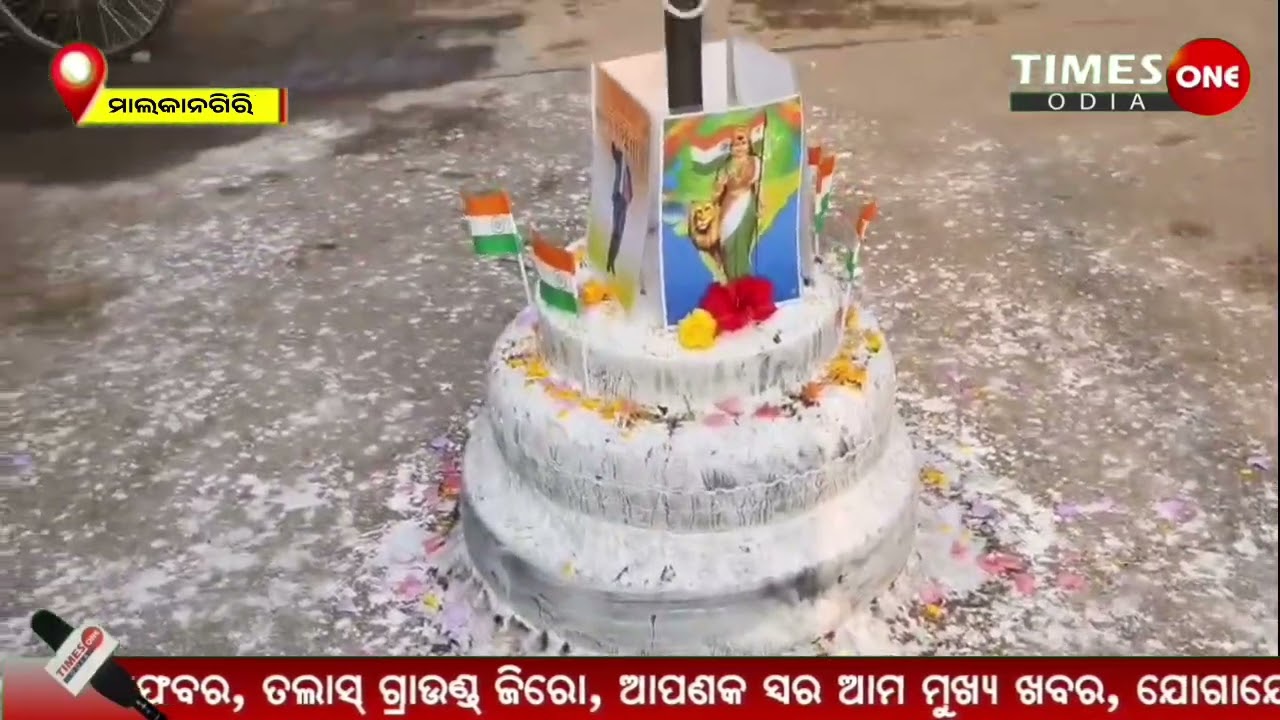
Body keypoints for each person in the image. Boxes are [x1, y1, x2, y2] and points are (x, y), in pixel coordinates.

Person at [712, 127, 761, 279]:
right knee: (728, 243)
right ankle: (731, 279)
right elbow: (718, 188)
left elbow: (758, 185)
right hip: (729, 205)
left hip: (747, 204)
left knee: (743, 243)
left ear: (749, 144)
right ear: (730, 148)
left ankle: (744, 279)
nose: (739, 148)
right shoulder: (726, 166)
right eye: (735, 145)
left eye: (743, 143)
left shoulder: (755, 162)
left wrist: (761, 204)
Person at [607, 142, 632, 274]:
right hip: (621, 202)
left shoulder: (617, 232)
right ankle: (620, 158)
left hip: (620, 202)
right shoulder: (617, 232)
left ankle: (619, 158)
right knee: (621, 177)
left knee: (621, 178)